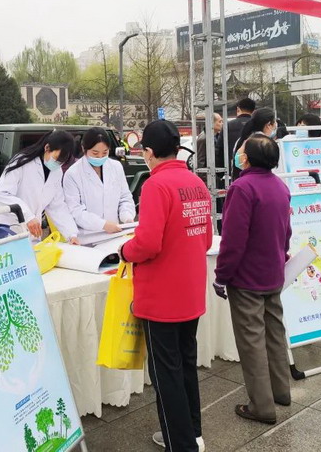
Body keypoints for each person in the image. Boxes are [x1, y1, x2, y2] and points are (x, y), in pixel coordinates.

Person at [120, 120, 211, 452]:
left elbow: (147, 244)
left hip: (161, 299)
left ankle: (180, 444)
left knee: (165, 375)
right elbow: (203, 239)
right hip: (189, 293)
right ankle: (193, 434)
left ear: (148, 152)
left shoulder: (155, 186)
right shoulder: (195, 182)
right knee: (186, 364)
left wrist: (124, 250)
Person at [213, 134, 292, 425]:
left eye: (242, 151)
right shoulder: (280, 186)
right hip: (273, 273)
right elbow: (286, 232)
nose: (239, 155)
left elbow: (233, 240)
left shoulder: (243, 188)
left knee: (251, 342)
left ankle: (261, 406)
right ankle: (281, 391)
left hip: (247, 278)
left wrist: (222, 276)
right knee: (274, 334)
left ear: (247, 158)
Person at [0, 130, 80, 243]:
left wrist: (71, 234)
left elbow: (57, 206)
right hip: (6, 228)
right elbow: (1, 194)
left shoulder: (56, 172)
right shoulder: (22, 162)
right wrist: (28, 216)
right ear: (47, 148)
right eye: (57, 159)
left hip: (31, 233)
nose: (58, 164)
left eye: (62, 162)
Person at [63, 127, 136, 236]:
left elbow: (125, 197)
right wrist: (103, 224)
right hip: (88, 236)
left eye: (104, 152)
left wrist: (127, 218)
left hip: (114, 233)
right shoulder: (72, 174)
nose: (100, 157)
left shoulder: (116, 167)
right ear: (84, 149)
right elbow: (75, 210)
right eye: (95, 153)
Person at [230, 108, 277, 182]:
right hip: (258, 183)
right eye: (274, 122)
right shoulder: (262, 144)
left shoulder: (244, 139)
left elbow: (237, 162)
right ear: (268, 125)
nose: (275, 126)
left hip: (243, 181)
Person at [216, 98, 255, 178]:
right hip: (253, 171)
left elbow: (219, 150)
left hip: (233, 171)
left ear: (238, 109)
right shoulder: (258, 125)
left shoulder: (228, 126)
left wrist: (220, 174)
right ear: (253, 111)